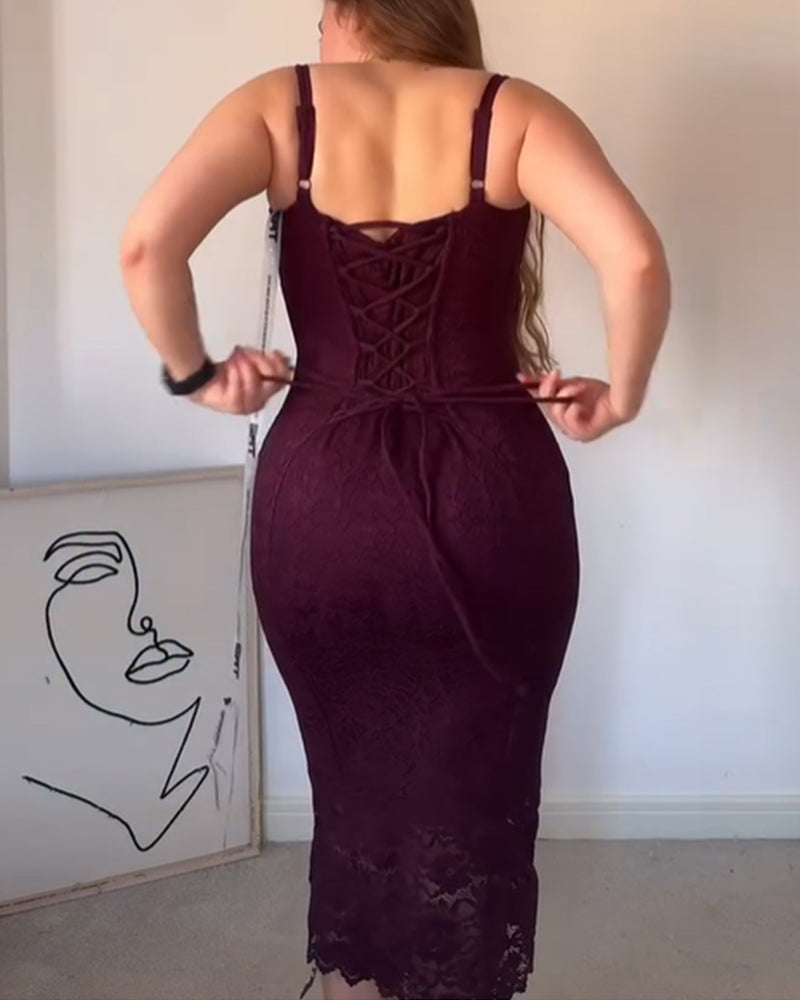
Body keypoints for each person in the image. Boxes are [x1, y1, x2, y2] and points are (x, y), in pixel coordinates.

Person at [121, 1, 671, 997]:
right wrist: (619, 396)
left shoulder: (279, 105)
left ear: (347, 13)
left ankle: (361, 977)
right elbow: (632, 257)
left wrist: (198, 375)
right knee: (482, 776)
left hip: (321, 497)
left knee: (353, 775)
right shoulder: (511, 113)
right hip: (491, 495)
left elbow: (145, 246)